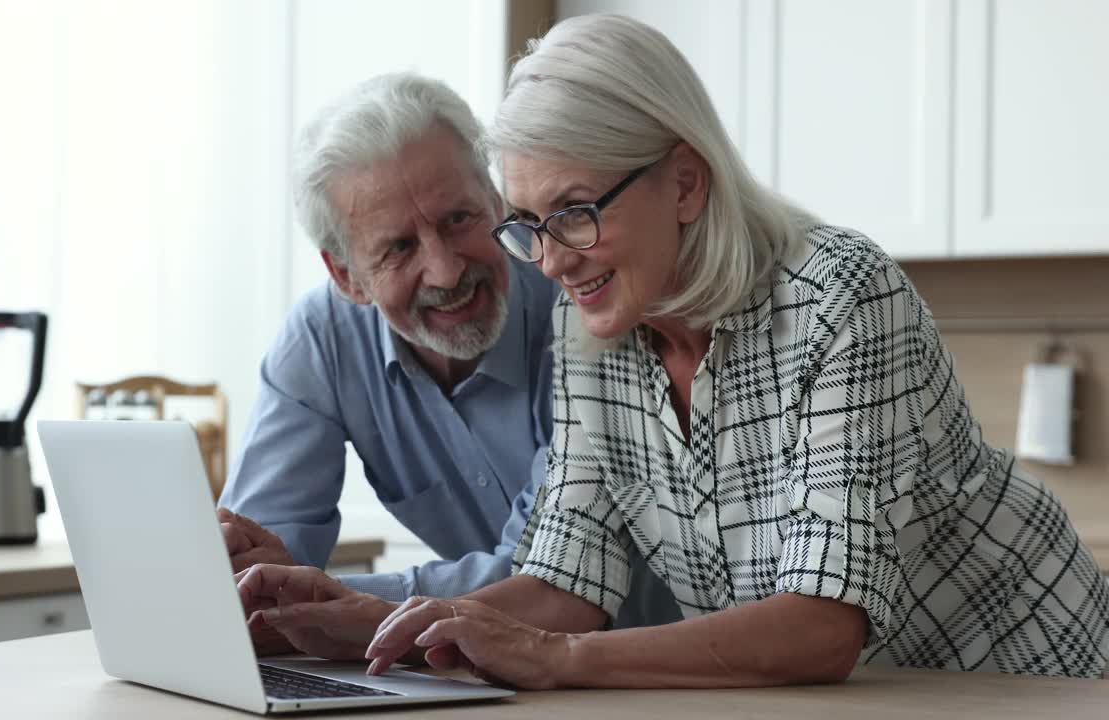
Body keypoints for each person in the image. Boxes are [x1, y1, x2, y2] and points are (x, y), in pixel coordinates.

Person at [237, 14, 1109, 686]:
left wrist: (556, 657)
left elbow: (821, 624)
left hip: (1029, 676)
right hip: (862, 697)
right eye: (530, 226)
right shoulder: (595, 333)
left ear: (684, 182)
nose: (551, 260)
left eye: (576, 212)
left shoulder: (838, 297)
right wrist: (375, 622)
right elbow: (563, 579)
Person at [217, 72, 678, 645]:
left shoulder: (587, 309)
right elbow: (254, 572)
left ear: (495, 199)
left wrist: (345, 605)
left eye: (459, 219)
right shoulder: (323, 340)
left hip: (657, 668)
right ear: (346, 276)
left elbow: (546, 575)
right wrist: (270, 588)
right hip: (485, 673)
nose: (447, 270)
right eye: (399, 248)